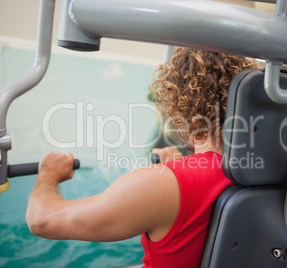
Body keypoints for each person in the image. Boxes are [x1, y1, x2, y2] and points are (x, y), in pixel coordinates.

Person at [26, 47, 259, 267]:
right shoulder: (270, 173)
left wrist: (47, 175)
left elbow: (41, 220)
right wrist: (177, 173)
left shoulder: (159, 185)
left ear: (180, 112)